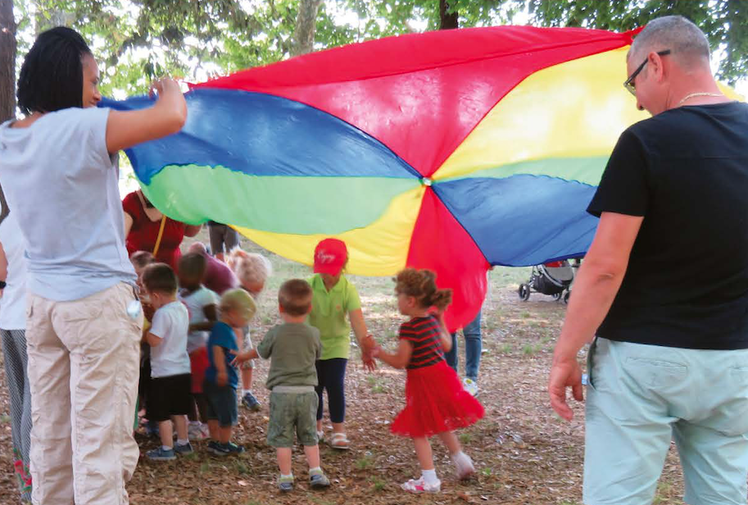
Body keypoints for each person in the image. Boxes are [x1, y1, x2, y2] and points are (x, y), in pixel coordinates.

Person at [548, 16, 748, 505]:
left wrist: (565, 354)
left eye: (632, 80)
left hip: (643, 358)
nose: (636, 98)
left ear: (655, 64)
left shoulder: (646, 140)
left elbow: (604, 266)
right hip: (736, 361)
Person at [0, 26, 186, 504]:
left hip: (42, 309)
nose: (99, 92)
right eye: (92, 80)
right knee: (100, 445)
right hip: (97, 306)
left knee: (52, 439)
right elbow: (172, 117)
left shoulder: (8, 140)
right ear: (66, 79)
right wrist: (169, 89)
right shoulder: (83, 128)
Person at [373, 268, 483, 493]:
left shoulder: (409, 328)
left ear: (410, 301)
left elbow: (401, 361)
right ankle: (462, 461)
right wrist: (441, 319)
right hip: (442, 377)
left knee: (418, 430)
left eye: (399, 297)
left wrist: (378, 352)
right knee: (440, 420)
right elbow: (447, 346)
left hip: (423, 382)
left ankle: (429, 479)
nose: (397, 301)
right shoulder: (432, 321)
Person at [233, 279, 331, 492]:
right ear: (310, 308)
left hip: (281, 394)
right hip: (307, 393)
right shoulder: (313, 333)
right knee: (309, 435)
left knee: (283, 439)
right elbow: (318, 354)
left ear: (280, 307)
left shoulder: (275, 333)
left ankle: (286, 477)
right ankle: (316, 471)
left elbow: (259, 352)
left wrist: (242, 355)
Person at [307, 238, 375, 449]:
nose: (327, 274)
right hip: (312, 345)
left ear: (343, 265)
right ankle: (315, 428)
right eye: (323, 269)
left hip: (337, 344)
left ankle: (338, 431)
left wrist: (365, 347)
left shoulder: (348, 290)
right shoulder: (309, 286)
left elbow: (357, 322)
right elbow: (297, 314)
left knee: (335, 385)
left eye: (331, 269)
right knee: (314, 387)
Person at [141, 263, 193, 461]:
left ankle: (166, 448)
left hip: (163, 372)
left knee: (163, 414)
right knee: (179, 411)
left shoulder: (162, 314)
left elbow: (155, 340)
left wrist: (143, 331)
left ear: (155, 296)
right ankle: (183, 442)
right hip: (182, 368)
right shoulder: (181, 308)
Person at [0, 191, 32, 502]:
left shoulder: (5, 223)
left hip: (7, 318)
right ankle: (37, 480)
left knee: (19, 400)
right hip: (31, 319)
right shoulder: (35, 219)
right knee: (36, 405)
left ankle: (26, 483)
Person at [204, 289, 256, 456]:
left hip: (210, 379)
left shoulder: (219, 327)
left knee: (212, 413)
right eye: (244, 318)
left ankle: (214, 442)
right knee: (226, 415)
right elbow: (218, 349)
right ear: (233, 313)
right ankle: (224, 444)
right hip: (223, 381)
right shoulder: (224, 329)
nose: (244, 323)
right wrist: (221, 371)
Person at [177, 252, 218, 440]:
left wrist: (193, 326)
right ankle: (192, 424)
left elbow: (214, 322)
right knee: (185, 390)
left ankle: (206, 425)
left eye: (186, 274)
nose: (181, 277)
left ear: (199, 276)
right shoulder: (179, 292)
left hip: (199, 350)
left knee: (199, 391)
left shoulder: (205, 295)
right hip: (182, 351)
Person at [226, 248, 273, 411]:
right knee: (230, 360)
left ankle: (246, 393)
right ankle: (228, 391)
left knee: (247, 362)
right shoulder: (233, 289)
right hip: (229, 328)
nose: (256, 293)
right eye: (252, 290)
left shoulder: (252, 279)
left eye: (259, 288)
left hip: (242, 326)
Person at [123, 189, 202, 270]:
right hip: (140, 275)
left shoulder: (177, 200)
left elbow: (190, 232)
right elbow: (118, 239)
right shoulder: (131, 202)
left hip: (171, 274)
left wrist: (199, 208)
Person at [445, 309, 482, 397]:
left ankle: (471, 379)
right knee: (448, 330)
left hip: (470, 295)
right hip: (448, 295)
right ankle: (451, 379)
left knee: (472, 333)